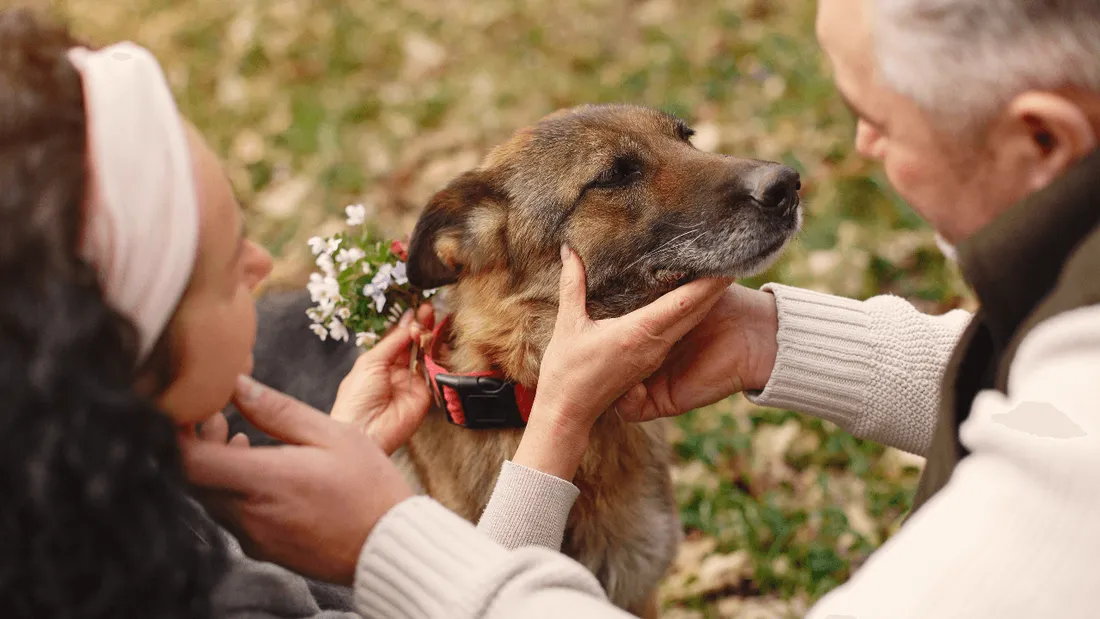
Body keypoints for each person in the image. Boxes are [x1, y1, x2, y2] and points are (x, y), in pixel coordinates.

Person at [187, 0, 1100, 617]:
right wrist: (769, 338)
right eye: (619, 178)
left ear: (1042, 136)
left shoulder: (1052, 509)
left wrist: (392, 543)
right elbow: (1034, 399)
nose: (843, 153)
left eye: (883, 123)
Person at [0, 8, 730, 617]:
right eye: (226, 270)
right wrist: (555, 425)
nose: (266, 270)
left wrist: (348, 444)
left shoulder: (131, 528)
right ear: (113, 351)